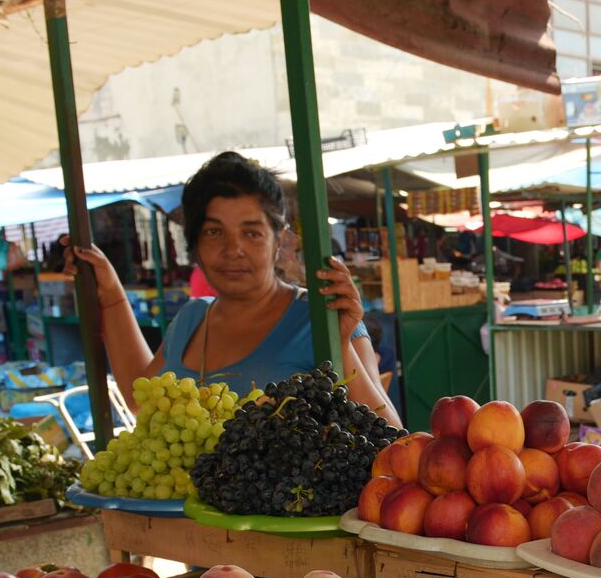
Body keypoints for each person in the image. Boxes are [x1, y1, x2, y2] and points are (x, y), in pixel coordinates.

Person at [64, 151, 399, 425]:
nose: (233, 249)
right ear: (194, 244)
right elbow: (142, 401)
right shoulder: (192, 318)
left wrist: (339, 344)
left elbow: (390, 435)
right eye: (214, 232)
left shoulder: (324, 315)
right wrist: (109, 291)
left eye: (252, 232)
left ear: (278, 240)